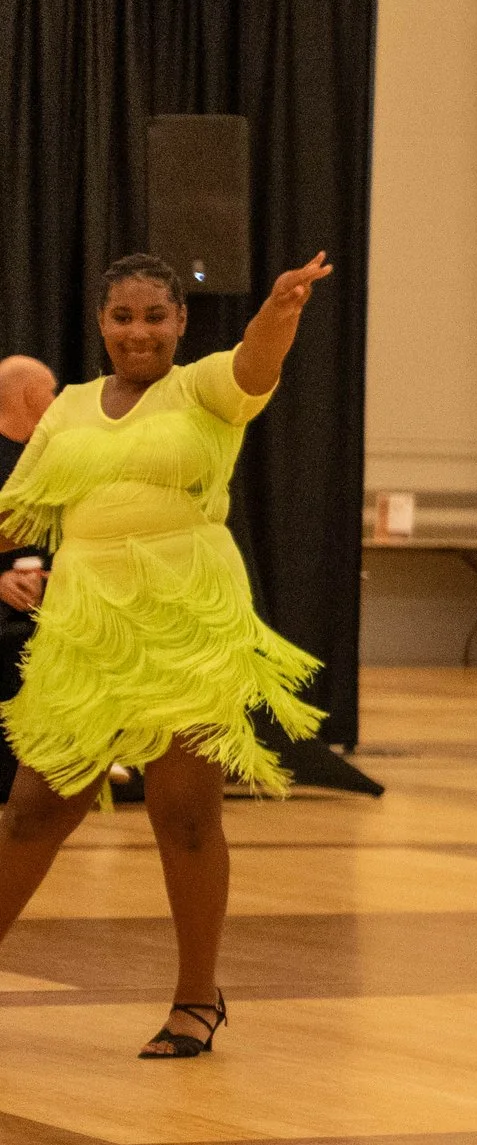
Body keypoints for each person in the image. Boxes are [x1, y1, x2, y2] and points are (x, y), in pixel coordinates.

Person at [0, 253, 330, 1057]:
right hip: (85, 630)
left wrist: (281, 310)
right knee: (34, 811)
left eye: (155, 316)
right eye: (123, 317)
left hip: (186, 623)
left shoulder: (204, 388)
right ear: (102, 325)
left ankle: (195, 999)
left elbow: (255, 364)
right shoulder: (69, 409)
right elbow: (18, 517)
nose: (139, 331)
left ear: (181, 323)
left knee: (183, 815)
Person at [0, 357, 58, 795]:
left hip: (49, 607)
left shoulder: (50, 461)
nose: (56, 402)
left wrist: (55, 578)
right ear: (25, 393)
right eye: (51, 391)